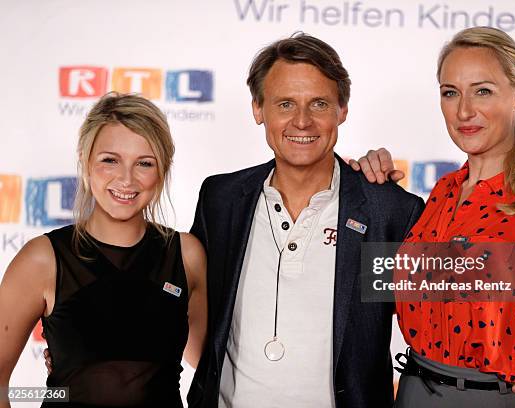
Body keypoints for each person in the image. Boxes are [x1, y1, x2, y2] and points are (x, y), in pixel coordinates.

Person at [351, 27, 515, 407]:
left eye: (482, 91)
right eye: (450, 92)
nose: (464, 111)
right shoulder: (442, 193)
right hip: (412, 393)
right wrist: (367, 193)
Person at [186, 33, 424, 408]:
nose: (302, 121)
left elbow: (443, 323)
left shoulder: (387, 211)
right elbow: (187, 308)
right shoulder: (221, 199)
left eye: (319, 103)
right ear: (258, 109)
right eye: (285, 104)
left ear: (342, 110)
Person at [0, 93, 207, 408]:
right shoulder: (42, 259)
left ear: (162, 169)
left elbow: (210, 362)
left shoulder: (186, 254)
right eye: (110, 160)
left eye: (144, 163)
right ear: (85, 160)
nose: (126, 179)